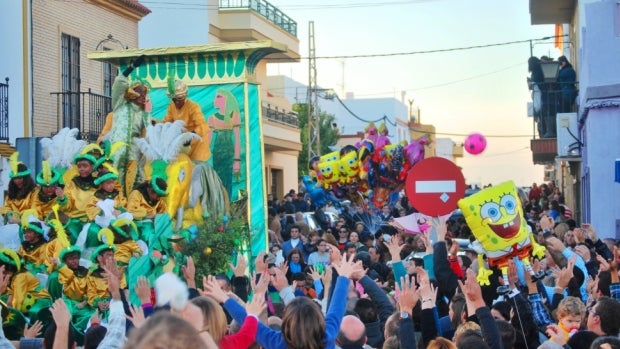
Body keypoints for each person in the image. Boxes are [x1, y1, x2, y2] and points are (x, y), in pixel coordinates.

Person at [98, 54, 149, 196]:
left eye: (145, 94)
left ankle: (131, 205)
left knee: (134, 180)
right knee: (115, 177)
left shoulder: (143, 114)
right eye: (140, 93)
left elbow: (144, 136)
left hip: (133, 151)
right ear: (132, 92)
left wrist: (142, 152)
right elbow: (119, 83)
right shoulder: (120, 104)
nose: (143, 97)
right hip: (118, 149)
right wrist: (131, 68)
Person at [162, 79, 211, 162]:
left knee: (196, 171)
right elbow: (166, 122)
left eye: (179, 99)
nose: (176, 102)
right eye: (174, 99)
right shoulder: (171, 106)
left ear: (184, 96)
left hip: (198, 148)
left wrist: (191, 135)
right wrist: (155, 124)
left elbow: (203, 126)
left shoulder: (193, 107)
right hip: (183, 147)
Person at [205, 88, 242, 196]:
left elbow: (237, 139)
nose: (215, 100)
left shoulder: (233, 116)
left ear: (226, 99)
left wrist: (237, 160)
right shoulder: (212, 118)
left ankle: (227, 205)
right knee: (217, 180)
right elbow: (208, 140)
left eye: (219, 97)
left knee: (228, 181)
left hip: (229, 154)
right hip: (217, 154)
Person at [0, 152, 37, 224]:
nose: (17, 181)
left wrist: (19, 217)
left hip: (29, 225)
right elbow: (6, 207)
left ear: (26, 178)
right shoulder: (11, 192)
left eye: (20, 178)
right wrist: (9, 214)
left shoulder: (35, 191)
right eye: (15, 178)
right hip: (12, 224)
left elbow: (35, 210)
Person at [528, 56, 547, 138]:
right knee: (539, 111)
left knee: (539, 109)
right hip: (538, 92)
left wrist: (531, 83)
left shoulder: (537, 71)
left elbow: (538, 81)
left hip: (539, 92)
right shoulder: (539, 69)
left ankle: (542, 132)